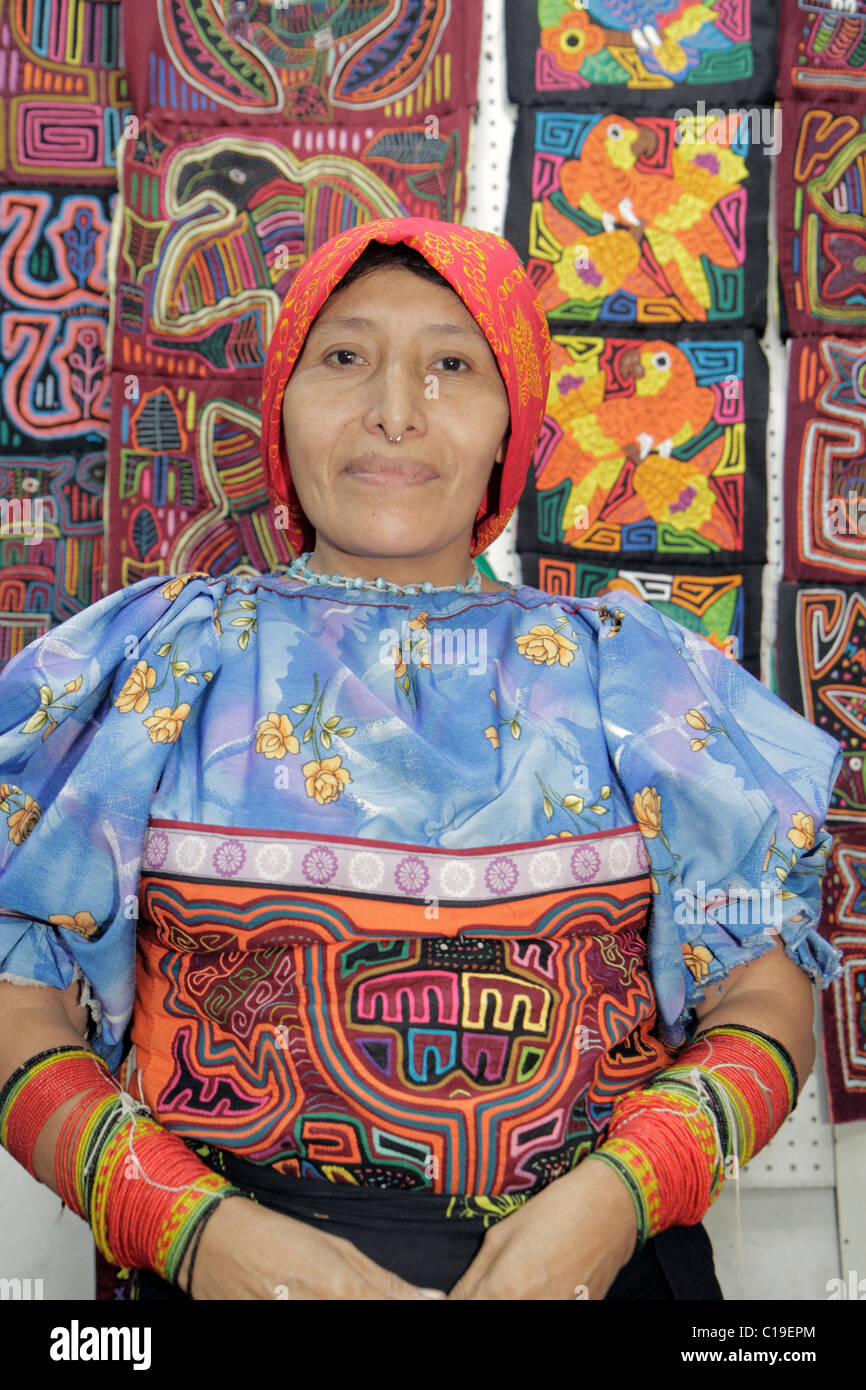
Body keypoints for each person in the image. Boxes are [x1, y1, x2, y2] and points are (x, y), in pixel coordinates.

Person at [0, 217, 843, 1302]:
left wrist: (618, 1199)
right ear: (281, 407)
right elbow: (19, 1004)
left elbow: (765, 996)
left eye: (451, 364)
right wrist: (196, 1232)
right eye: (344, 357)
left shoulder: (631, 680)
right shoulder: (158, 665)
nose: (394, 408)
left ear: (512, 425)